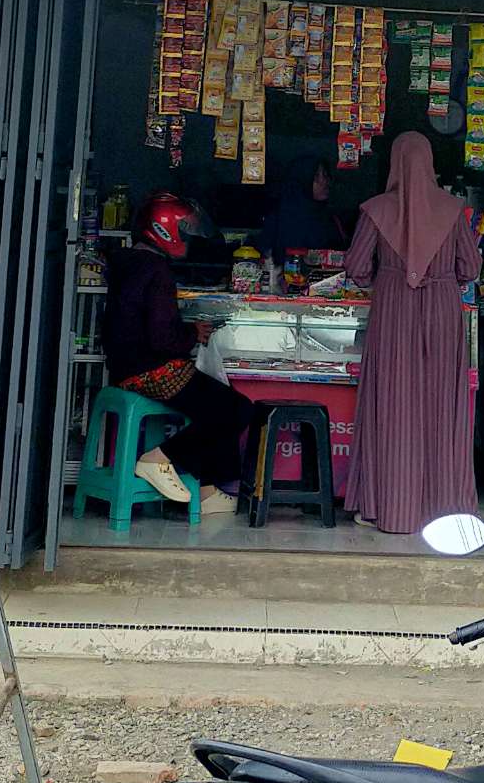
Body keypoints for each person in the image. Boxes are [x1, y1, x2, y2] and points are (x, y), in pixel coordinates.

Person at [342, 132, 483, 536]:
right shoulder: (453, 210)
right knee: (442, 406)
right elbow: (470, 268)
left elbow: (356, 266)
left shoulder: (376, 210)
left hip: (393, 311)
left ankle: (390, 508)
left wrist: (388, 276)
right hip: (442, 312)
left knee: (394, 405)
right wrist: (439, 277)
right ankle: (444, 507)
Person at [101, 191, 257, 517]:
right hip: (151, 370)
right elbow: (162, 339)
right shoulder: (157, 270)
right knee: (236, 408)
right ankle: (158, 459)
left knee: (216, 403)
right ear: (163, 230)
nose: (186, 239)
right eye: (183, 231)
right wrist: (192, 334)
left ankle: (209, 492)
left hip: (124, 367)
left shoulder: (126, 263)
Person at [258, 154, 345, 259]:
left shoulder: (329, 218)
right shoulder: (280, 219)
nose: (324, 182)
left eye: (325, 175)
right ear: (301, 181)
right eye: (315, 177)